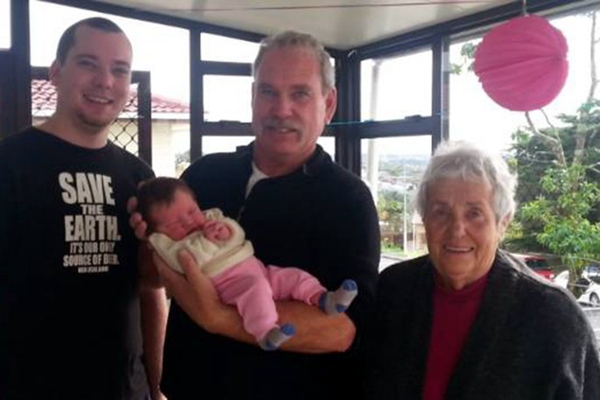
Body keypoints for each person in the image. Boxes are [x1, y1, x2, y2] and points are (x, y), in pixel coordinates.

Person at [129, 30, 381, 399]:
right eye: (268, 92)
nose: (281, 109)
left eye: (300, 93)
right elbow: (151, 278)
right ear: (252, 98)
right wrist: (150, 240)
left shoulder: (348, 199)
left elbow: (343, 329)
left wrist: (219, 318)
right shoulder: (203, 176)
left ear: (328, 104)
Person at [0, 18, 168, 400]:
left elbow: (149, 289)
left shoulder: (139, 177)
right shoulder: (9, 166)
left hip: (125, 390)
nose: (105, 81)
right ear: (56, 72)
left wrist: (157, 387)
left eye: (119, 70)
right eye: (88, 63)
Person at [363, 140, 600, 400]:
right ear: (425, 219)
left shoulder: (553, 316)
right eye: (441, 212)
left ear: (502, 223)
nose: (457, 230)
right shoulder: (393, 291)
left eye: (474, 213)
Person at [137, 177, 359, 350]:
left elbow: (237, 234)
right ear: (158, 232)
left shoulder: (211, 217)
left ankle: (323, 298)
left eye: (192, 211)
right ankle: (265, 332)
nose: (188, 222)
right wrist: (208, 242)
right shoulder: (170, 245)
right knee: (256, 291)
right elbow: (183, 262)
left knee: (293, 276)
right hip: (230, 284)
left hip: (259, 270)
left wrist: (226, 231)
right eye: (174, 224)